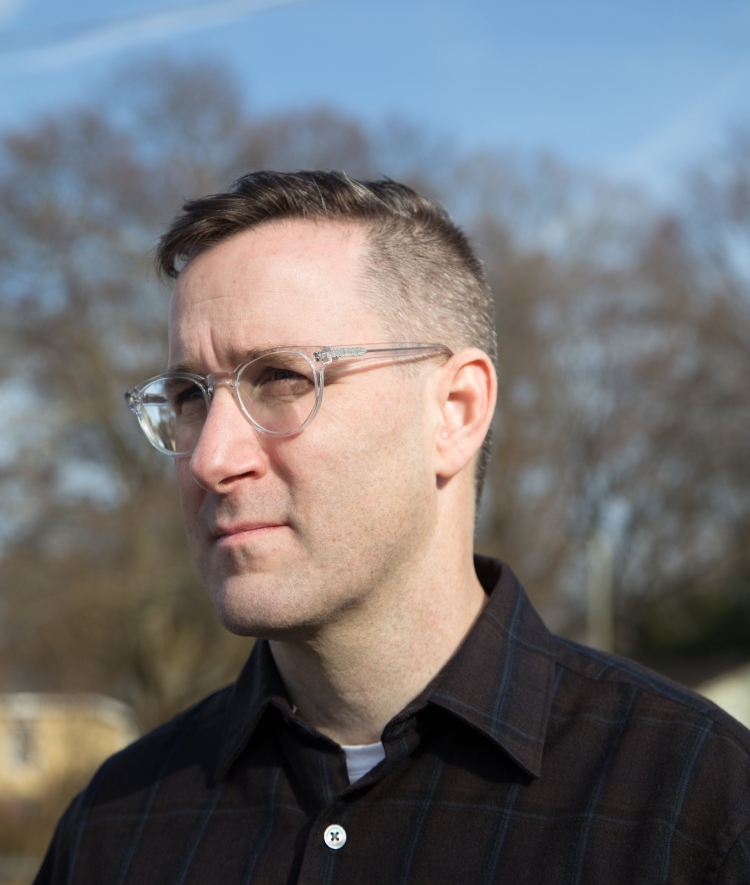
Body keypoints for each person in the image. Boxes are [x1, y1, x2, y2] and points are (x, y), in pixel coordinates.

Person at [36, 171, 750, 884]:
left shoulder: (697, 809)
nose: (212, 458)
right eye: (190, 395)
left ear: (457, 412)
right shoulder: (115, 828)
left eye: (282, 378)